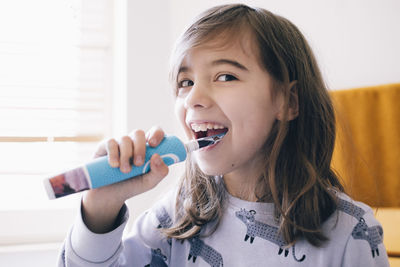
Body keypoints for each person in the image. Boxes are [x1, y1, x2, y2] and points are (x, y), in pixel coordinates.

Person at [58, 4, 389, 266]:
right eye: (185, 82)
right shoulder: (175, 216)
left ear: (288, 102)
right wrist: (100, 209)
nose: (193, 98)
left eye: (226, 76)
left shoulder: (351, 232)